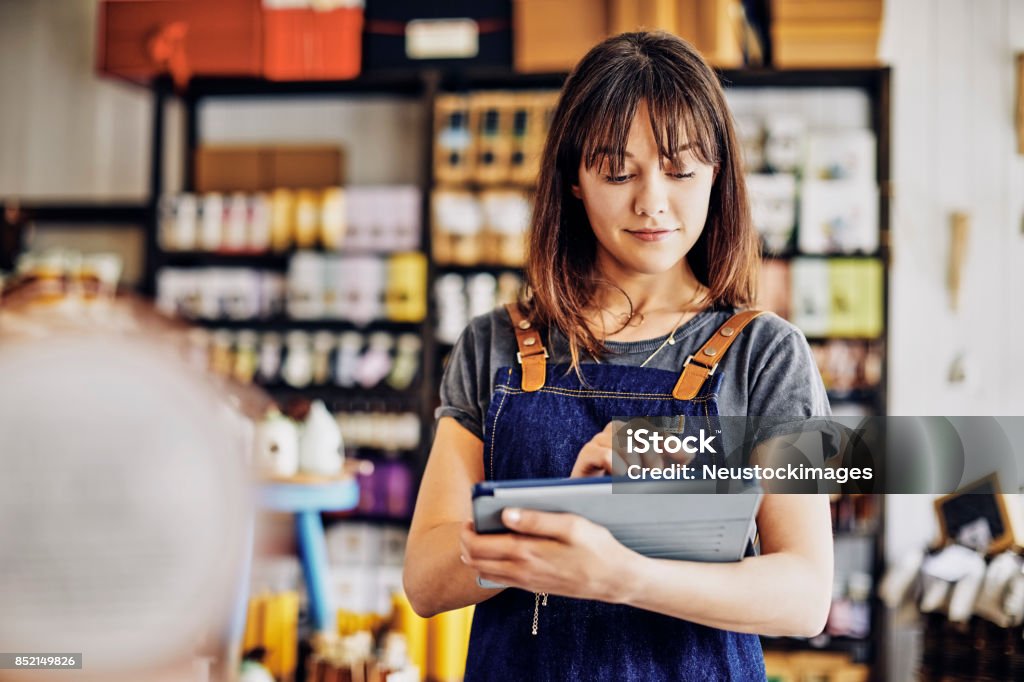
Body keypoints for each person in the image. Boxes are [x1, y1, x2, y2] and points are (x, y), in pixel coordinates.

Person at [403, 32, 834, 681]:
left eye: (681, 168)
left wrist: (622, 575)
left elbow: (804, 595)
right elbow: (427, 582)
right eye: (617, 171)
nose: (652, 201)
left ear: (718, 173)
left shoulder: (766, 355)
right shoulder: (494, 345)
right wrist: (551, 524)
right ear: (574, 179)